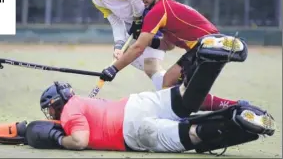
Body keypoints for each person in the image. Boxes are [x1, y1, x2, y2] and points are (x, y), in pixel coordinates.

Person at [23, 35, 275, 155]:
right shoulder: (84, 101)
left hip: (132, 131)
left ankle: (237, 121)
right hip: (137, 103)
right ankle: (209, 59)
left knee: (191, 134)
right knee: (185, 99)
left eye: (51, 109)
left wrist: (58, 140)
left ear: (56, 104)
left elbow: (79, 140)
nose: (52, 114)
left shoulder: (69, 112)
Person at [65, 0, 246, 112]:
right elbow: (168, 44)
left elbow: (134, 2)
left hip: (211, 47)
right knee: (174, 86)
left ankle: (190, 114)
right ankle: (231, 106)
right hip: (203, 48)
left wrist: (114, 68)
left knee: (176, 89)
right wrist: (121, 45)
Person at [100, 0, 224, 89]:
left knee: (173, 87)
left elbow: (138, 49)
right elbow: (168, 45)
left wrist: (113, 69)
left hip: (208, 46)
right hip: (209, 47)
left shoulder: (157, 11)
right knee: (177, 88)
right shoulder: (167, 6)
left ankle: (236, 107)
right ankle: (236, 107)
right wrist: (148, 40)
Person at [64, 0, 167, 90]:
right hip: (143, 21)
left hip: (154, 14)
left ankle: (176, 92)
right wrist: (118, 45)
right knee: (142, 63)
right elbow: (116, 22)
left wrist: (138, 19)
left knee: (148, 64)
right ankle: (176, 89)